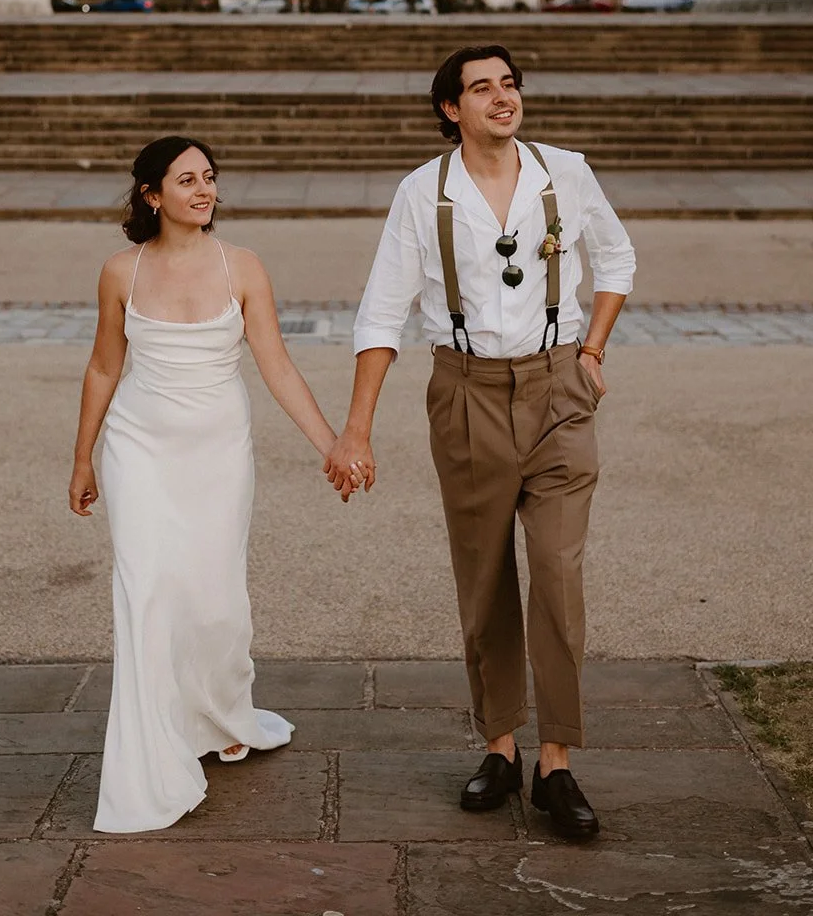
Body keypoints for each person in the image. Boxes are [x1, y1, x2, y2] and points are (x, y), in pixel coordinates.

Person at [325, 44, 635, 839]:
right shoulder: (419, 194)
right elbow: (380, 312)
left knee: (558, 575)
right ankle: (499, 747)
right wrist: (355, 428)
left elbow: (618, 259)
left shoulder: (563, 170)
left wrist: (591, 352)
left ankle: (555, 763)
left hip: (559, 390)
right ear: (449, 109)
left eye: (509, 84)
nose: (502, 98)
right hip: (463, 392)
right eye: (481, 88)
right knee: (484, 576)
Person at [69, 134, 345, 833]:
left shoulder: (242, 266)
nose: (203, 190)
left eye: (210, 178)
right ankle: (152, 751)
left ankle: (221, 713)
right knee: (148, 592)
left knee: (215, 600)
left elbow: (276, 365)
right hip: (139, 450)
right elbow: (104, 368)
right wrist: (82, 457)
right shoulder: (119, 272)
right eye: (186, 179)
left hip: (218, 453)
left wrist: (332, 445)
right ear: (151, 195)